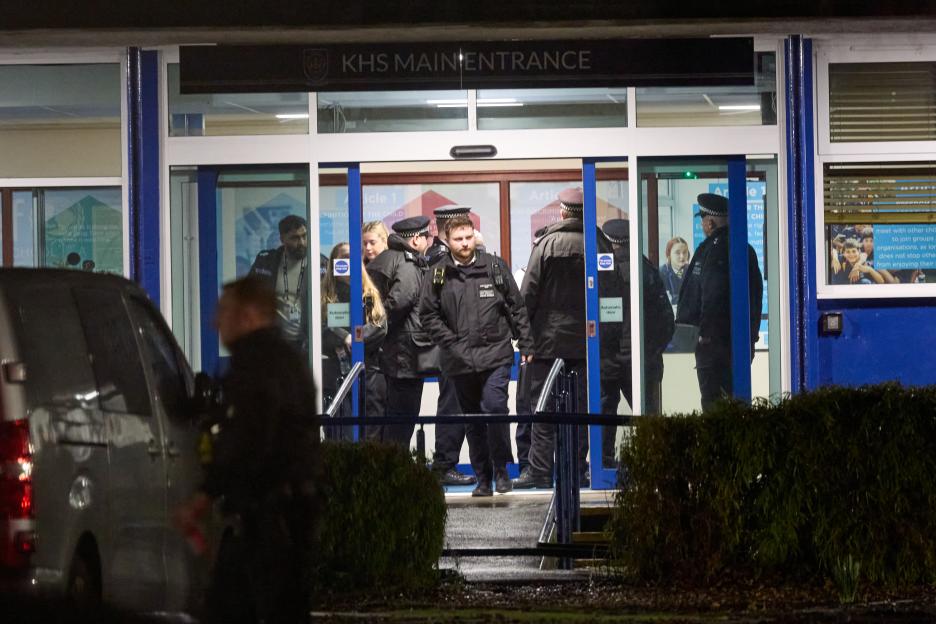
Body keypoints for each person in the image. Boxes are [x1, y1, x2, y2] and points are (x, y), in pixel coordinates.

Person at [175, 276, 321, 624]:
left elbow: (249, 438)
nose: (215, 322)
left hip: (267, 516)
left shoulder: (257, 365)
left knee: (238, 605)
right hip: (287, 513)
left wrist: (206, 494)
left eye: (224, 312)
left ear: (249, 314)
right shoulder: (283, 361)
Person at [420, 214, 534, 496]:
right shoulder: (438, 273)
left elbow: (516, 306)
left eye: (468, 237)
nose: (465, 243)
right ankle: (483, 478)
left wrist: (527, 344)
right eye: (458, 239)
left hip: (496, 355)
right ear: (447, 241)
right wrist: (451, 343)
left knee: (495, 408)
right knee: (472, 419)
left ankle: (501, 469)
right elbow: (428, 315)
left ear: (475, 236)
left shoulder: (495, 267)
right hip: (458, 361)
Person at [513, 187, 590, 490]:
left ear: (562, 211)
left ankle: (540, 472)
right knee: (582, 411)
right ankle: (577, 471)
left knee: (543, 410)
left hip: (546, 345)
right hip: (587, 345)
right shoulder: (599, 243)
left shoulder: (546, 244)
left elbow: (527, 296)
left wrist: (525, 341)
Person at [676, 193, 764, 412]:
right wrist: (750, 339)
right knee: (737, 404)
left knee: (713, 405)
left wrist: (702, 336)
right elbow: (755, 297)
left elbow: (707, 298)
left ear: (710, 222)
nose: (703, 224)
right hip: (738, 345)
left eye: (703, 220)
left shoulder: (708, 251)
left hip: (711, 346)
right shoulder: (746, 250)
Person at [598, 219, 675, 466]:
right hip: (641, 359)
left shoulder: (601, 271)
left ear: (610, 242)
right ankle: (653, 462)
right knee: (647, 415)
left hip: (608, 358)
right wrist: (652, 350)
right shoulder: (647, 270)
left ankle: (604, 462)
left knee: (604, 414)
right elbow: (666, 319)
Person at [365, 215, 432, 447]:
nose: (428, 242)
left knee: (387, 420)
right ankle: (393, 473)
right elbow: (399, 303)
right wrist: (377, 331)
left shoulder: (385, 259)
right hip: (404, 356)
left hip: (391, 354)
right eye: (426, 237)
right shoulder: (407, 264)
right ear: (415, 239)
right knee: (402, 423)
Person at [426, 205, 477, 487]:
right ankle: (445, 464)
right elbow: (432, 309)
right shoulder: (440, 260)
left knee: (467, 407)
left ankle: (452, 463)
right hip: (453, 348)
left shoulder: (465, 258)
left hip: (472, 348)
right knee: (452, 407)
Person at [320, 242, 387, 440]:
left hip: (369, 372)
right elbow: (321, 330)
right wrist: (343, 337)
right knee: (340, 435)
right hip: (336, 374)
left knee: (371, 436)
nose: (348, 261)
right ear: (334, 262)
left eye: (352, 256)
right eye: (343, 257)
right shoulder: (324, 295)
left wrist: (354, 338)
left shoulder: (369, 292)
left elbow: (380, 326)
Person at [248, 214, 310, 353]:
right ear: (282, 239)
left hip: (308, 343)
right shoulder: (267, 262)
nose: (302, 242)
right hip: (274, 343)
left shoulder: (319, 263)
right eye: (295, 238)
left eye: (304, 236)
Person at [660, 236, 690, 306]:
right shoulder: (662, 273)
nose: (682, 256)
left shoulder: (691, 271)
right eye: (677, 253)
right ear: (669, 254)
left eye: (685, 252)